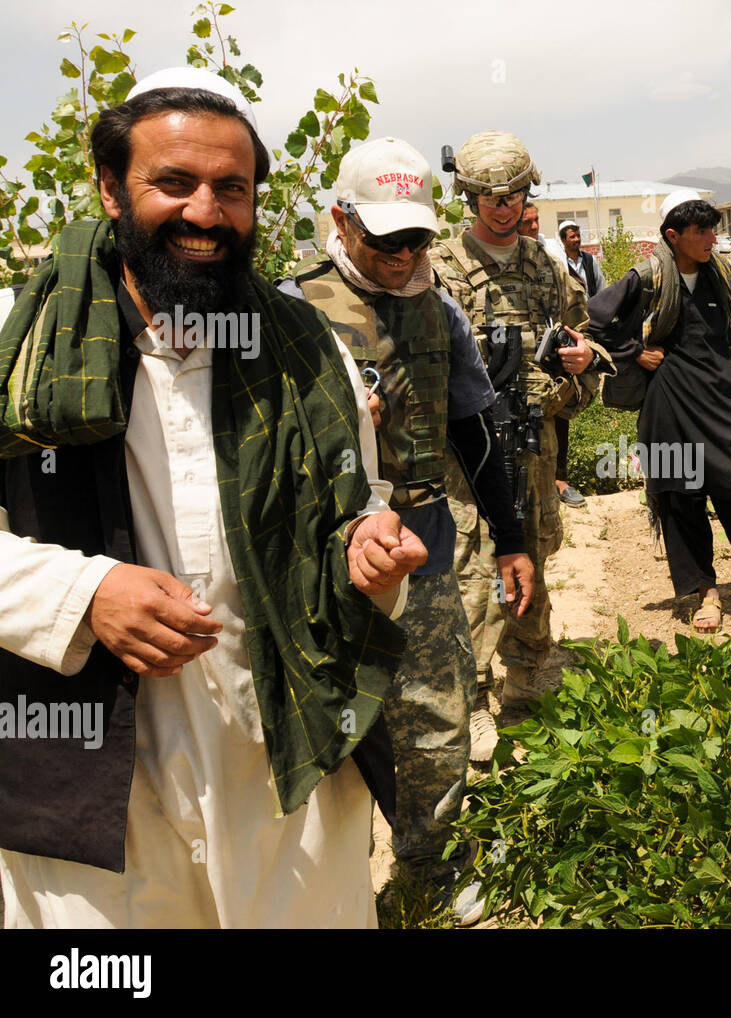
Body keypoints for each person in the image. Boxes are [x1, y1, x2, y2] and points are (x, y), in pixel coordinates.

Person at [0, 68, 424, 928]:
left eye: (232, 189)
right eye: (174, 183)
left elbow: (360, 511)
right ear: (110, 186)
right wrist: (81, 595)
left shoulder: (311, 354)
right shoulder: (18, 344)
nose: (205, 214)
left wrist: (378, 561)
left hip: (286, 774)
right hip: (95, 785)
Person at [278, 136, 533, 915]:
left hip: (423, 538)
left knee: (433, 714)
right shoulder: (290, 309)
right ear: (340, 220)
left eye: (418, 236)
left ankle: (429, 865)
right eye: (386, 237)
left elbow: (475, 426)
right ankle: (331, 883)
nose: (404, 253)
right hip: (319, 557)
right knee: (331, 721)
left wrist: (514, 537)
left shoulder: (437, 306)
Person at [429, 130, 611, 743]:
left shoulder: (547, 267)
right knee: (470, 566)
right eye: (490, 197)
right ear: (468, 197)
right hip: (465, 447)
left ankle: (528, 676)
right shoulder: (440, 269)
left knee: (530, 554)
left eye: (514, 195)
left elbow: (587, 340)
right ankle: (474, 694)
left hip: (533, 441)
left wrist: (583, 361)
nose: (503, 207)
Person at [587, 190, 731, 632]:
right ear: (672, 236)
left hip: (721, 402)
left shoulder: (722, 275)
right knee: (682, 500)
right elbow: (597, 318)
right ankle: (707, 594)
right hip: (669, 404)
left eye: (712, 229)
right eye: (700, 231)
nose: (710, 239)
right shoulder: (646, 277)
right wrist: (635, 351)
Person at [552, 219, 603, 508]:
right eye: (571, 236)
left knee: (560, 411)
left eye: (578, 235)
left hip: (575, 334)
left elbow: (600, 293)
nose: (576, 239)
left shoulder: (586, 262)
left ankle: (561, 479)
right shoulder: (554, 259)